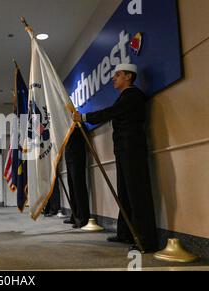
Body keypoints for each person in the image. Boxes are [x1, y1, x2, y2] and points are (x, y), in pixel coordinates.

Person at [72, 63, 158, 252]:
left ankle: (147, 240)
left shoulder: (133, 95)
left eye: (118, 75)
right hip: (123, 149)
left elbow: (111, 112)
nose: (114, 78)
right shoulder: (124, 97)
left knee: (137, 194)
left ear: (128, 76)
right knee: (125, 193)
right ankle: (125, 233)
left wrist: (85, 118)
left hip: (132, 148)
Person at [64, 125, 90, 228]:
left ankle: (83, 217)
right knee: (71, 185)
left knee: (78, 185)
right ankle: (74, 215)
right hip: (69, 152)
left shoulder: (78, 123)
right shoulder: (65, 123)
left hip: (76, 152)